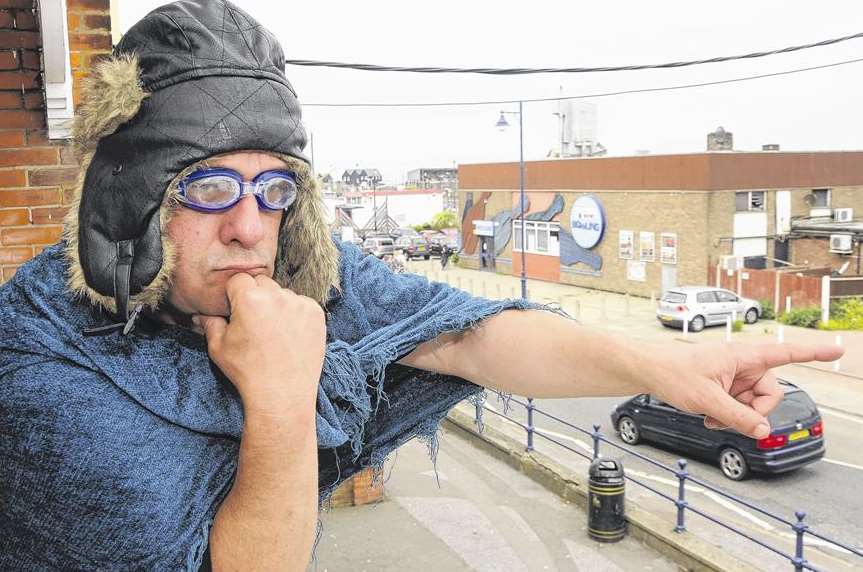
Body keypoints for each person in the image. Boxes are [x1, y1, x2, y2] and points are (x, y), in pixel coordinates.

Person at [0, 1, 842, 571]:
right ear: (130, 202)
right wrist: (286, 404)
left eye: (274, 187)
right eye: (208, 187)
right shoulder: (38, 368)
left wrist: (653, 365)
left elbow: (464, 335)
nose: (250, 227)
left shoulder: (296, 273)